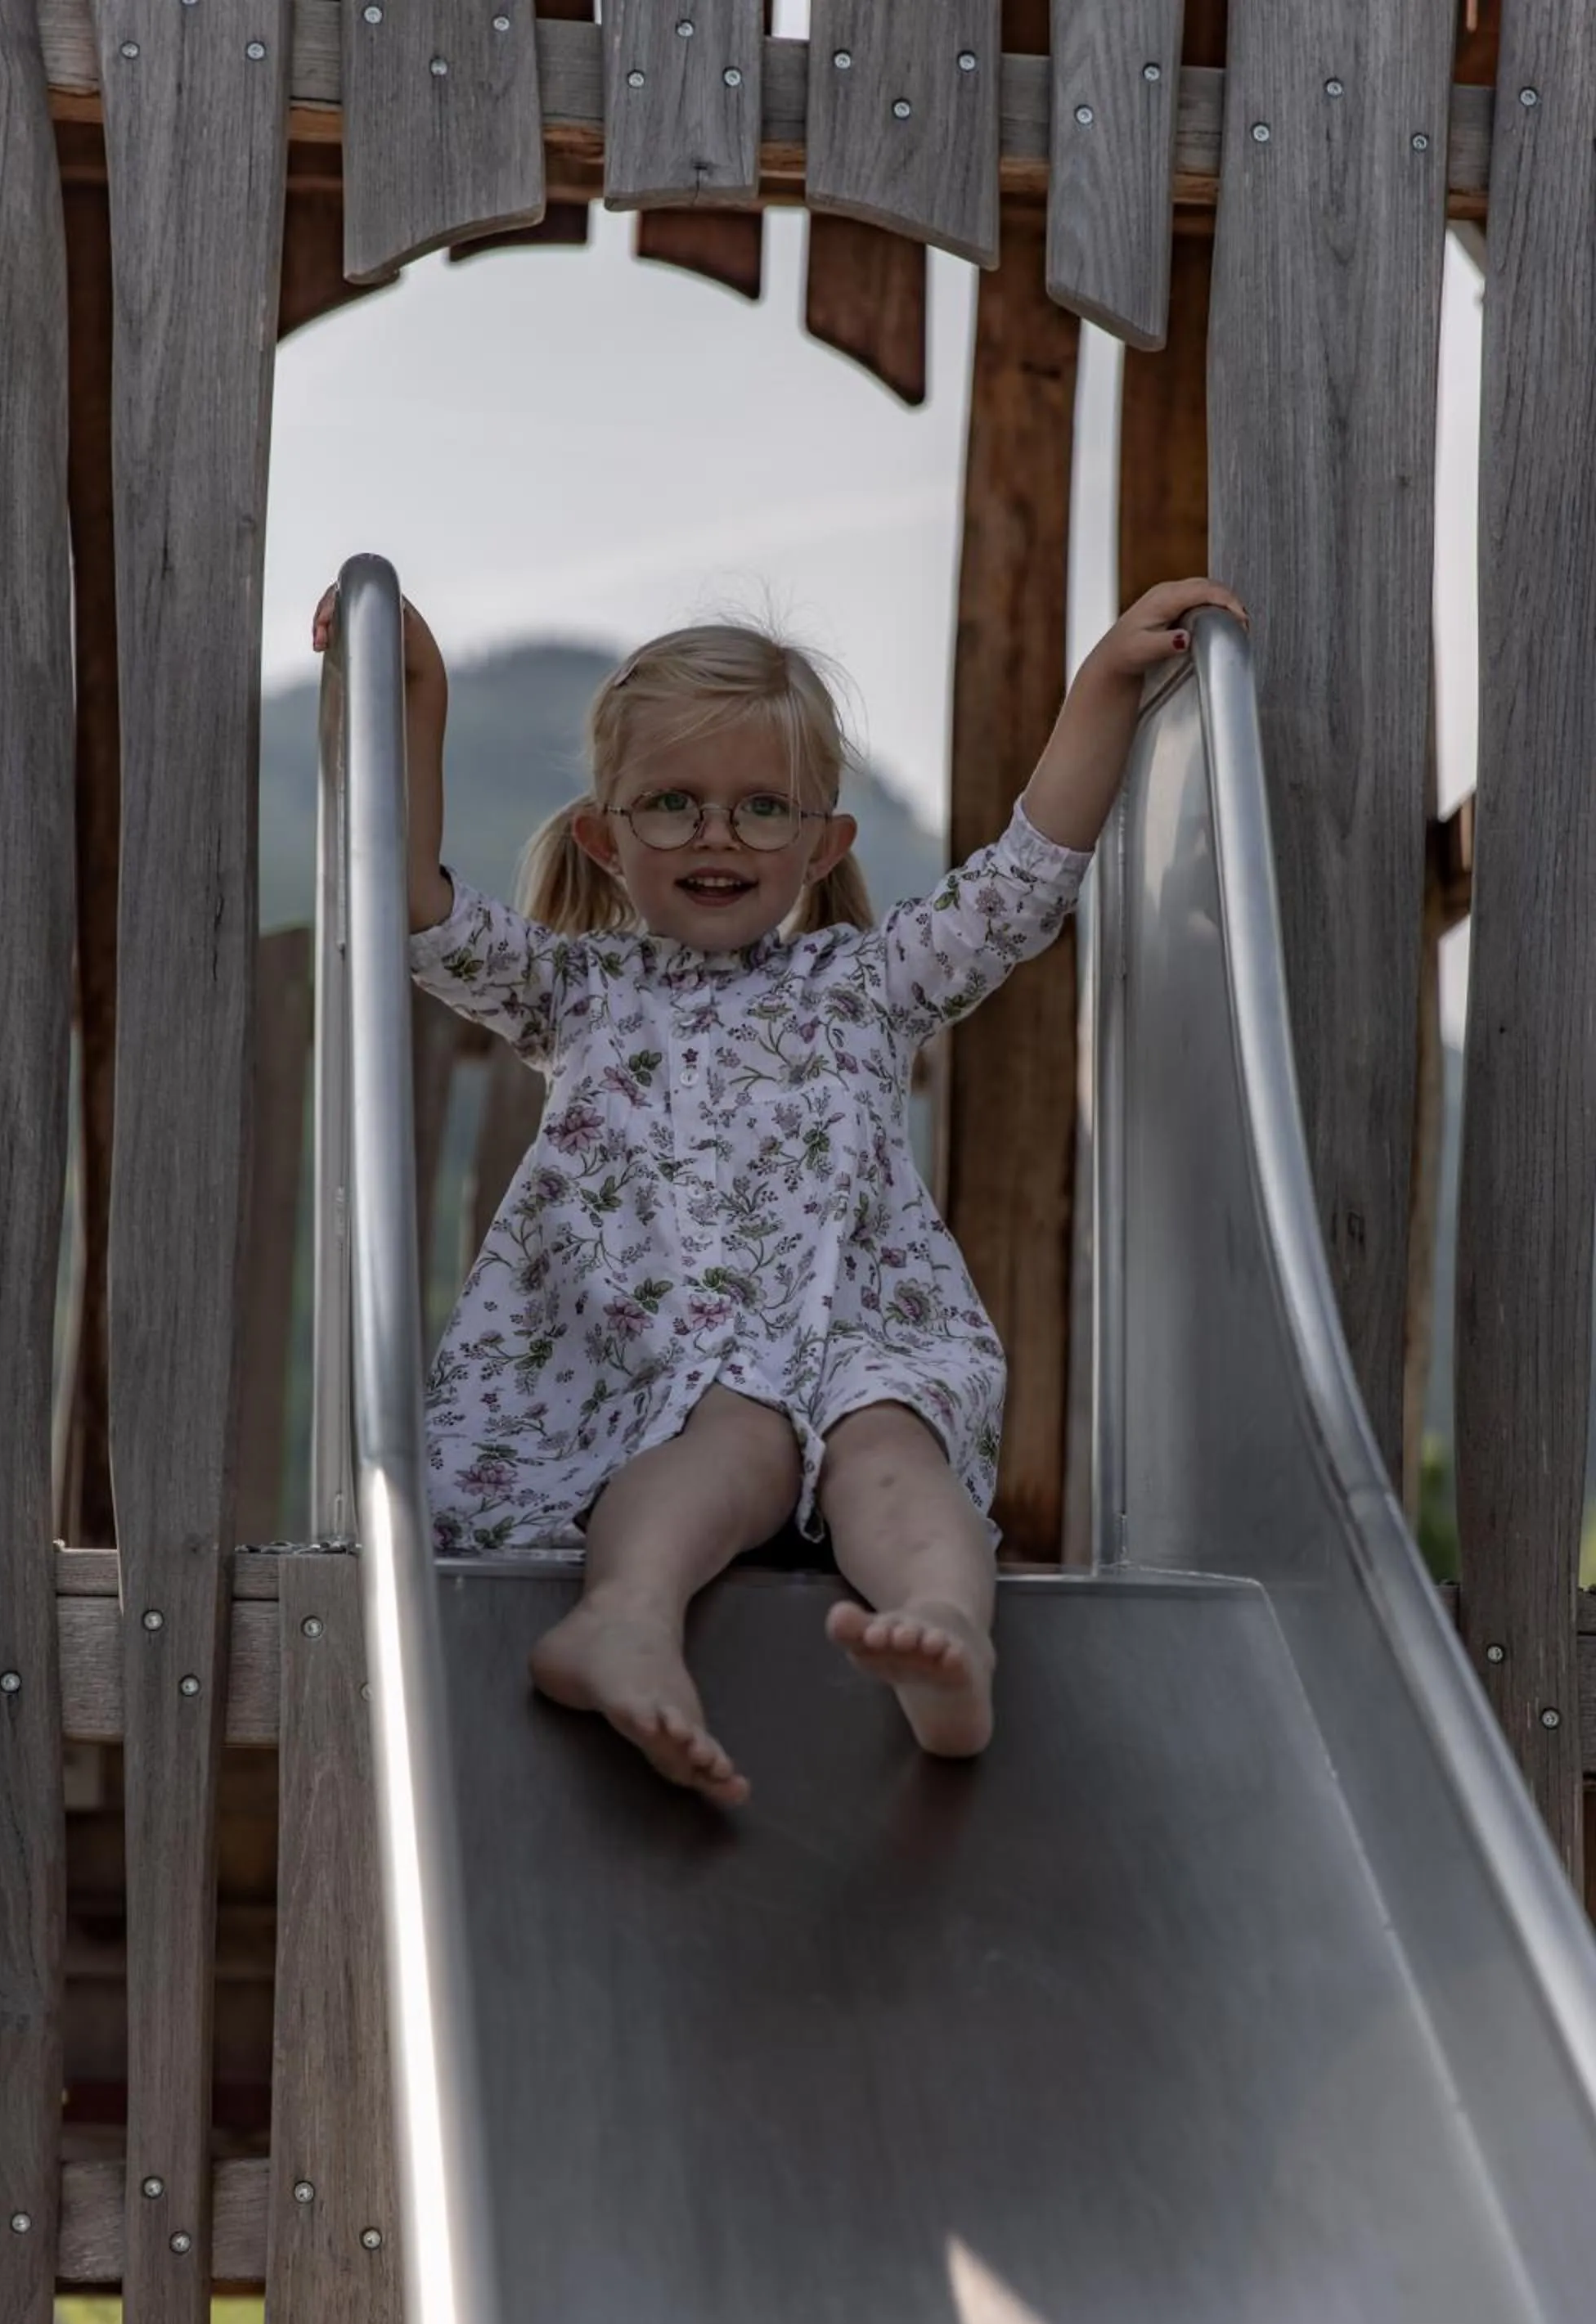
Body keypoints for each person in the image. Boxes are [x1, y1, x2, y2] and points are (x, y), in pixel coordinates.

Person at [312, 575, 1248, 1806]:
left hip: (854, 1349)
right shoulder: (578, 991)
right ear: (605, 835)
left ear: (825, 843)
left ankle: (943, 1632)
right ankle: (626, 1620)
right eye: (675, 806)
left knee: (895, 1454)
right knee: (726, 1445)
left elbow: (1024, 882)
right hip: (681, 1378)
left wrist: (1101, 691)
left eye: (764, 809)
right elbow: (414, 910)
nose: (718, 836)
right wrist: (414, 690)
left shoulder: (870, 984)